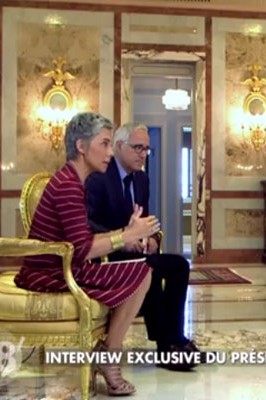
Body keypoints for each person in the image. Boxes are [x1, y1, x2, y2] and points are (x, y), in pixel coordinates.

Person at [15, 112, 160, 396]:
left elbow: (81, 241)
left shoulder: (73, 180)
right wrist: (126, 235)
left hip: (65, 266)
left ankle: (107, 353)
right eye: (104, 144)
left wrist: (126, 233)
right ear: (81, 146)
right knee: (142, 273)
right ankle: (109, 357)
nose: (110, 152)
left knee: (142, 270)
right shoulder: (68, 185)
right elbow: (83, 249)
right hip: (52, 273)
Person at [85, 122, 199, 371]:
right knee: (149, 269)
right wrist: (123, 238)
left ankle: (176, 337)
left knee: (179, 265)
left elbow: (144, 219)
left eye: (147, 149)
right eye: (138, 147)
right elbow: (87, 223)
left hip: (136, 252)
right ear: (119, 146)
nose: (143, 154)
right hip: (107, 255)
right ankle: (167, 346)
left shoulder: (142, 179)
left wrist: (152, 238)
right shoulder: (98, 177)